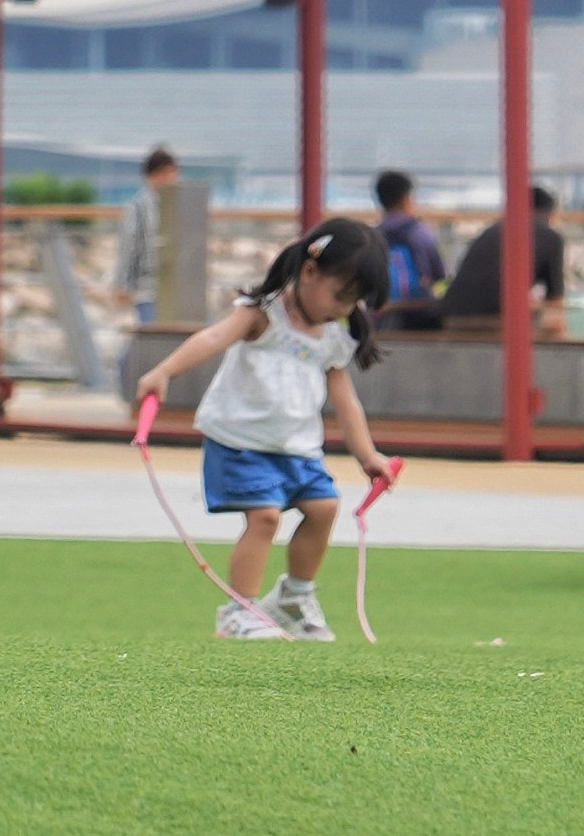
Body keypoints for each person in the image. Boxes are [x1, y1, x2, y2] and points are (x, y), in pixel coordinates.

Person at [127, 216, 397, 641]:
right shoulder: (263, 314)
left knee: (325, 507)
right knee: (265, 517)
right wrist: (164, 371)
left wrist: (368, 456)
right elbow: (213, 338)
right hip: (242, 443)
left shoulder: (332, 337)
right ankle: (240, 612)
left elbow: (347, 403)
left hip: (298, 448)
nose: (343, 310)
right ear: (309, 271)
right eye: (340, 295)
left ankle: (294, 597)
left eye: (354, 301)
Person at [404, 185, 564, 335]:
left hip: (450, 316)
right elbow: (555, 300)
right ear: (549, 214)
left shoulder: (493, 230)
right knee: (551, 324)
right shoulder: (551, 237)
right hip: (496, 319)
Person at [115, 147, 183, 321]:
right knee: (152, 335)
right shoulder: (138, 207)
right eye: (171, 172)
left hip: (174, 287)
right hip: (148, 289)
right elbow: (128, 246)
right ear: (157, 174)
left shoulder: (176, 203)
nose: (175, 177)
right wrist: (123, 284)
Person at [372, 169, 448, 304]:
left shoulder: (373, 236)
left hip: (381, 314)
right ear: (406, 199)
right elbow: (439, 274)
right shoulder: (419, 232)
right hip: (418, 312)